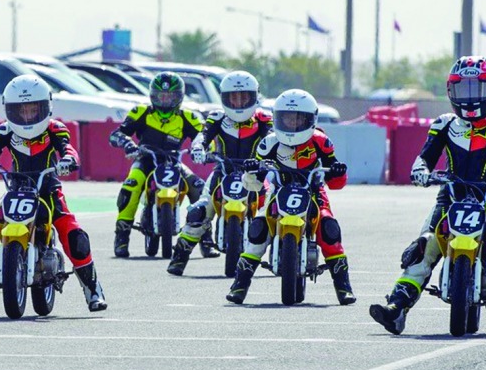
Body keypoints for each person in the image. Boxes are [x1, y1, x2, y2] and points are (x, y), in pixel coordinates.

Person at [369, 57, 486, 337]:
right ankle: (396, 307)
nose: (471, 97)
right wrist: (420, 170)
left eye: (478, 89)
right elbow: (425, 157)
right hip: (450, 195)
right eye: (464, 90)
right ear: (452, 93)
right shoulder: (444, 124)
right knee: (424, 245)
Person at [0, 75, 107, 311]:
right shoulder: (5, 130)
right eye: (21, 111)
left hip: (49, 191)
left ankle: (93, 289)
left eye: (33, 109)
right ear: (10, 110)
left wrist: (70, 159)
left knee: (76, 238)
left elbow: (68, 148)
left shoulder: (55, 129)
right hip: (16, 190)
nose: (27, 116)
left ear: (46, 107)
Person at [226, 89, 354, 305]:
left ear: (310, 119)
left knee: (329, 229)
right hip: (278, 191)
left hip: (313, 191)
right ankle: (239, 285)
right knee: (257, 230)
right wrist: (252, 170)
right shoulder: (268, 143)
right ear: (277, 118)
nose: (292, 123)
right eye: (287, 117)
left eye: (298, 118)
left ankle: (343, 287)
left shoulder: (321, 141)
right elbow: (254, 182)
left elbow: (336, 182)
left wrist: (337, 171)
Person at [168, 71, 271, 276]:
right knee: (199, 210)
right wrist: (198, 149)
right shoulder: (216, 117)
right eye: (234, 97)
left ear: (254, 97)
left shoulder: (264, 119)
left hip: (256, 176)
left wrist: (267, 161)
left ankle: (286, 254)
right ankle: (180, 256)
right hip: (222, 172)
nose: (239, 102)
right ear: (225, 98)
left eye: (244, 97)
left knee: (273, 212)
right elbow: (202, 136)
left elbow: (272, 139)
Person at [108, 71, 205, 258]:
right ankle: (122, 235)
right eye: (161, 96)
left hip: (174, 162)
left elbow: (204, 136)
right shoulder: (141, 112)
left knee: (198, 187)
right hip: (145, 160)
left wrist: (200, 149)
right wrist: (128, 144)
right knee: (132, 183)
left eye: (170, 97)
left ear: (180, 97)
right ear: (153, 96)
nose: (165, 101)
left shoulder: (188, 117)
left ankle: (205, 238)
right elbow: (116, 134)